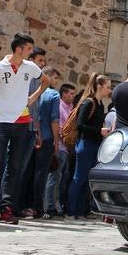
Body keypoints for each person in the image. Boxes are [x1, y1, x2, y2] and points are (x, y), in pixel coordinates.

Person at [0, 33, 49, 224]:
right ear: (19, 49)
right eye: (28, 49)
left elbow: (46, 81)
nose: (30, 52)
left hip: (23, 122)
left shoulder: (30, 67)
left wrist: (32, 98)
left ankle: (7, 207)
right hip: (2, 122)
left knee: (15, 168)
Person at [67, 74, 111, 219]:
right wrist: (99, 131)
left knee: (87, 180)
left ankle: (80, 211)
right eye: (107, 87)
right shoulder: (88, 103)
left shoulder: (100, 105)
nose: (109, 90)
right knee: (79, 178)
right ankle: (71, 211)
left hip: (95, 144)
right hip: (85, 144)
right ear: (99, 86)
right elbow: (80, 125)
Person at [16, 46, 47, 219]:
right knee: (17, 168)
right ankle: (13, 204)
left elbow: (36, 110)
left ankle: (18, 204)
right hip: (22, 125)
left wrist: (38, 131)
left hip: (31, 127)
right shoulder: (28, 78)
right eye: (40, 61)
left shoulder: (36, 79)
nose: (42, 64)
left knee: (24, 169)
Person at [32, 66, 61, 219]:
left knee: (30, 172)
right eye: (55, 77)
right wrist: (57, 141)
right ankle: (38, 207)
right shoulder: (53, 95)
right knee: (41, 173)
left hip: (32, 135)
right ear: (47, 76)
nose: (56, 81)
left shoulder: (33, 92)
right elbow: (54, 120)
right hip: (47, 138)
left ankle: (27, 205)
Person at [45, 81, 75, 217]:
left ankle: (56, 204)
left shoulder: (70, 108)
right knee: (54, 177)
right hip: (60, 146)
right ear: (64, 94)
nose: (73, 96)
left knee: (61, 177)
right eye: (71, 93)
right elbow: (60, 127)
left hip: (66, 148)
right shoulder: (60, 107)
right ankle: (50, 205)